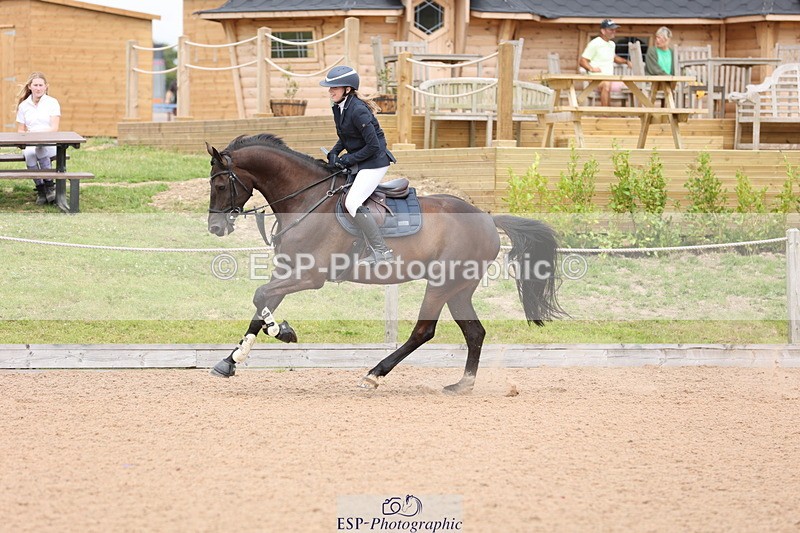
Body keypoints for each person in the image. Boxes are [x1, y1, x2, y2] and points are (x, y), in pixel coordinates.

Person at [320, 65, 396, 265]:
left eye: (334, 87)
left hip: (375, 162)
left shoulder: (358, 110)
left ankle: (382, 251)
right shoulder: (339, 107)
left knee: (352, 202)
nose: (330, 91)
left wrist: (347, 159)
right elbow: (346, 137)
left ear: (347, 89)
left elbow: (374, 146)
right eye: (329, 88)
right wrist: (335, 152)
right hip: (362, 160)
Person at [16, 72, 60, 205]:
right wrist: (25, 137)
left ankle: (50, 187)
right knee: (30, 153)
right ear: (30, 86)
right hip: (31, 142)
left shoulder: (52, 102)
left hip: (49, 142)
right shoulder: (24, 105)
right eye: (35, 85)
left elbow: (54, 128)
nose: (38, 88)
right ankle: (41, 189)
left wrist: (37, 133)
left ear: (46, 86)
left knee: (41, 149)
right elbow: (20, 129)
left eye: (41, 85)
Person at [579, 19, 632, 106]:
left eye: (614, 29)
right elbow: (582, 60)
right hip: (595, 79)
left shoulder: (611, 44)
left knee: (631, 85)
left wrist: (626, 62)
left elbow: (614, 58)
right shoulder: (595, 43)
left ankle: (634, 115)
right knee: (606, 85)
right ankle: (605, 114)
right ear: (603, 31)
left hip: (609, 78)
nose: (614, 31)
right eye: (611, 30)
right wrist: (591, 68)